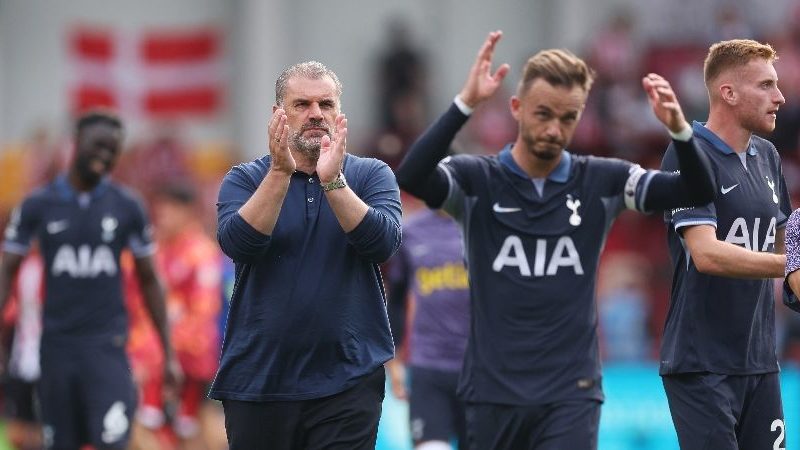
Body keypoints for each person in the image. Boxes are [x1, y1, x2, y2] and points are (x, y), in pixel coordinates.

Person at [395, 30, 717, 449]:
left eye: (568, 118)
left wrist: (680, 132)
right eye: (543, 114)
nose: (553, 129)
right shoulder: (480, 179)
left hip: (571, 392)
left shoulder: (603, 180)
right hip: (492, 393)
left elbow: (697, 190)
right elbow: (411, 175)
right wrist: (465, 104)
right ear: (517, 107)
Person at [210, 61, 402, 449]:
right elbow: (238, 244)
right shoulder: (245, 179)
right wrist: (280, 172)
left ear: (339, 113)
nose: (316, 114)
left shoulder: (370, 175)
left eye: (326, 104)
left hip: (347, 381)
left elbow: (383, 244)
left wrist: (333, 182)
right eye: (301, 104)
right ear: (278, 114)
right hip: (260, 382)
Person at [0, 109, 181, 449]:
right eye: (97, 146)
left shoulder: (128, 206)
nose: (104, 156)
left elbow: (149, 278)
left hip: (107, 349)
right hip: (56, 349)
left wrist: (168, 351)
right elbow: (8, 269)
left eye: (112, 150)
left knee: (114, 441)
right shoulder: (39, 205)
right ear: (76, 143)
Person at [659, 39, 791, 450]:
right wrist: (789, 264)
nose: (780, 97)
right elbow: (707, 253)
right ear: (728, 93)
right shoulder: (687, 154)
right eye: (766, 85)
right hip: (701, 366)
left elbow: (786, 248)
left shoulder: (768, 156)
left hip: (759, 362)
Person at [134, 181, 224, 450]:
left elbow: (202, 314)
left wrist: (155, 352)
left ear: (187, 211)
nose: (161, 215)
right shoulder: (156, 251)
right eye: (159, 209)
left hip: (188, 359)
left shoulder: (201, 254)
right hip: (156, 356)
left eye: (169, 209)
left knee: (191, 433)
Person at [385, 209, 470, 450]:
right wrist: (394, 361)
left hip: (482, 371)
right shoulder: (411, 231)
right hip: (428, 366)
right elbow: (397, 301)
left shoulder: (487, 224)